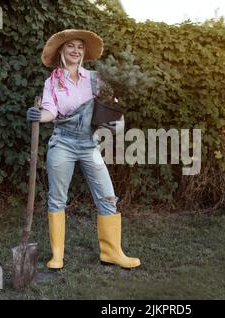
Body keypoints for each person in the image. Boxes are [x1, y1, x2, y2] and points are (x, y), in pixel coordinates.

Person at [26, 29, 140, 270]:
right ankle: (57, 256)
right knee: (57, 199)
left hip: (89, 144)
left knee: (107, 195)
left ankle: (111, 253)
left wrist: (116, 122)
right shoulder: (52, 82)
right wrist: (39, 115)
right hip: (63, 143)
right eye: (71, 46)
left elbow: (111, 107)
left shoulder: (95, 79)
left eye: (79, 46)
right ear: (62, 51)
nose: (76, 50)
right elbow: (50, 111)